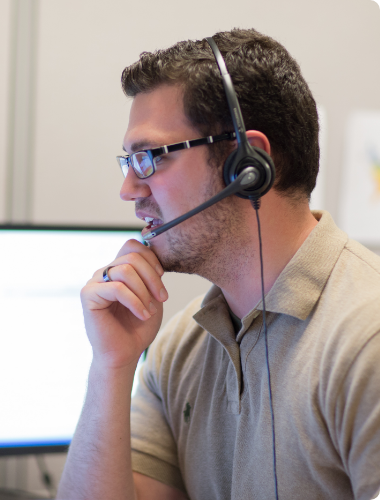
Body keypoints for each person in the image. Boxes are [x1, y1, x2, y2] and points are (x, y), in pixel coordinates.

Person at [56, 28, 380, 500]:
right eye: (128, 161)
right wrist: (111, 365)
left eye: (148, 158)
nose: (128, 189)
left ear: (248, 165)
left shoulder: (365, 340)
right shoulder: (178, 351)